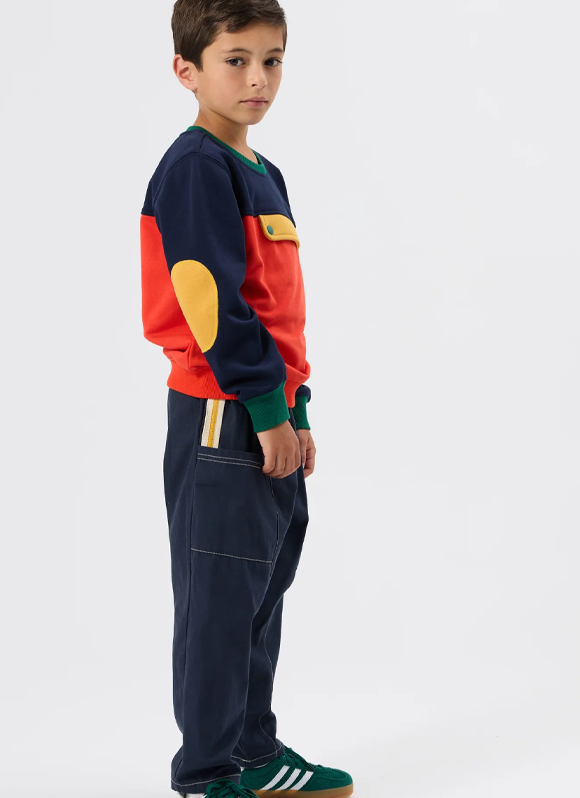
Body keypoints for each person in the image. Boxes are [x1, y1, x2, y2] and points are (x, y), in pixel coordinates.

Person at [140, 2, 353, 796]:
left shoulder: (263, 171)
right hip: (222, 412)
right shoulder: (197, 168)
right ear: (187, 70)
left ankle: (254, 753)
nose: (257, 78)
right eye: (236, 60)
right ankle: (207, 773)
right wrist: (266, 412)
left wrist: (296, 411)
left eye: (272, 59)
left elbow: (276, 306)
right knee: (221, 601)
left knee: (260, 593)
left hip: (268, 410)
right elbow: (212, 304)